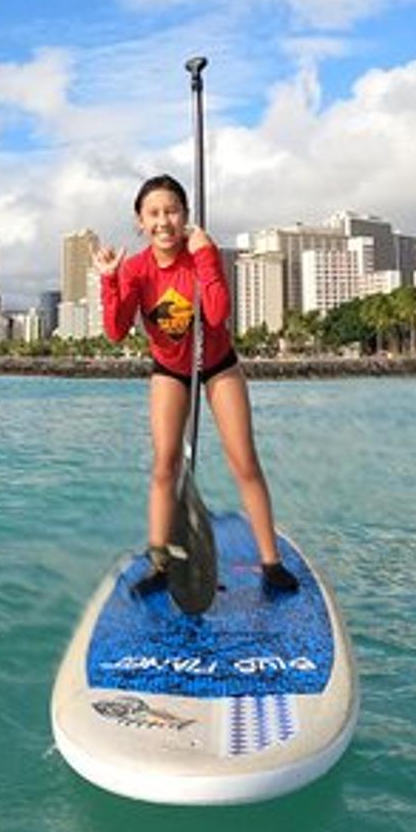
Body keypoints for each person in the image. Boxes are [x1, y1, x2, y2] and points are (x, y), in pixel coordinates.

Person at [92, 174, 299, 597]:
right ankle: (160, 566)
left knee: (244, 461)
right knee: (164, 465)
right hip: (170, 369)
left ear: (185, 215)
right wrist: (110, 279)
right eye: (153, 213)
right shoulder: (136, 269)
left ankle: (271, 563)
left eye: (171, 211)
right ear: (140, 221)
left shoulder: (200, 253)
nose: (163, 221)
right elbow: (115, 331)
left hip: (217, 363)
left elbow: (218, 313)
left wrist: (205, 255)